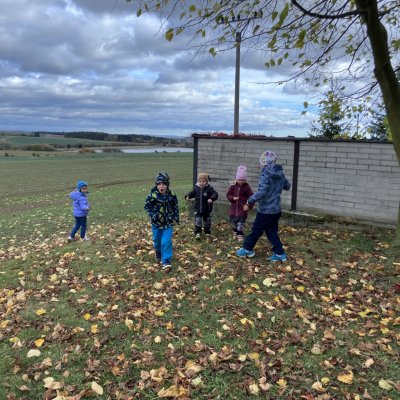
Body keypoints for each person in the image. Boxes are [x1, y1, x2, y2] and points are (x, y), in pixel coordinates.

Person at [236, 150, 291, 262]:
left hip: (265, 210)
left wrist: (250, 200)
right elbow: (287, 186)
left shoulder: (265, 174)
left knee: (256, 230)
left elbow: (262, 192)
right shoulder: (280, 174)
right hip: (276, 210)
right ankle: (280, 253)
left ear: (263, 163)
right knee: (271, 231)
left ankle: (247, 249)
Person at [144, 172, 179, 272]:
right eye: (159, 184)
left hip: (168, 223)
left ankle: (166, 261)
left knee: (166, 241)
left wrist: (176, 218)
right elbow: (147, 206)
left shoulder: (172, 195)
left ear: (167, 185)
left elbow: (175, 207)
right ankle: (158, 251)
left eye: (164, 184)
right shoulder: (153, 195)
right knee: (157, 241)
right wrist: (153, 215)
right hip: (156, 223)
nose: (161, 186)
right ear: (156, 185)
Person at [185, 173, 218, 239]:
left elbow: (215, 194)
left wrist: (211, 198)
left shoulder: (209, 189)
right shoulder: (196, 188)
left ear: (206, 182)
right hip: (198, 209)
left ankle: (207, 232)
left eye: (203, 181)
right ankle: (198, 232)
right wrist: (187, 196)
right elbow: (191, 193)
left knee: (207, 221)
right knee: (198, 221)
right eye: (200, 181)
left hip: (206, 209)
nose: (201, 183)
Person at [226, 165, 254, 241]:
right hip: (234, 207)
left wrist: (248, 205)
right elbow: (228, 194)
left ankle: (240, 233)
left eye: (243, 180)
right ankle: (235, 232)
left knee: (241, 222)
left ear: (245, 180)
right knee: (234, 221)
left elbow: (252, 197)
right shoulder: (233, 186)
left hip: (242, 207)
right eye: (239, 180)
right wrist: (232, 198)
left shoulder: (246, 187)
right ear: (236, 178)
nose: (241, 181)